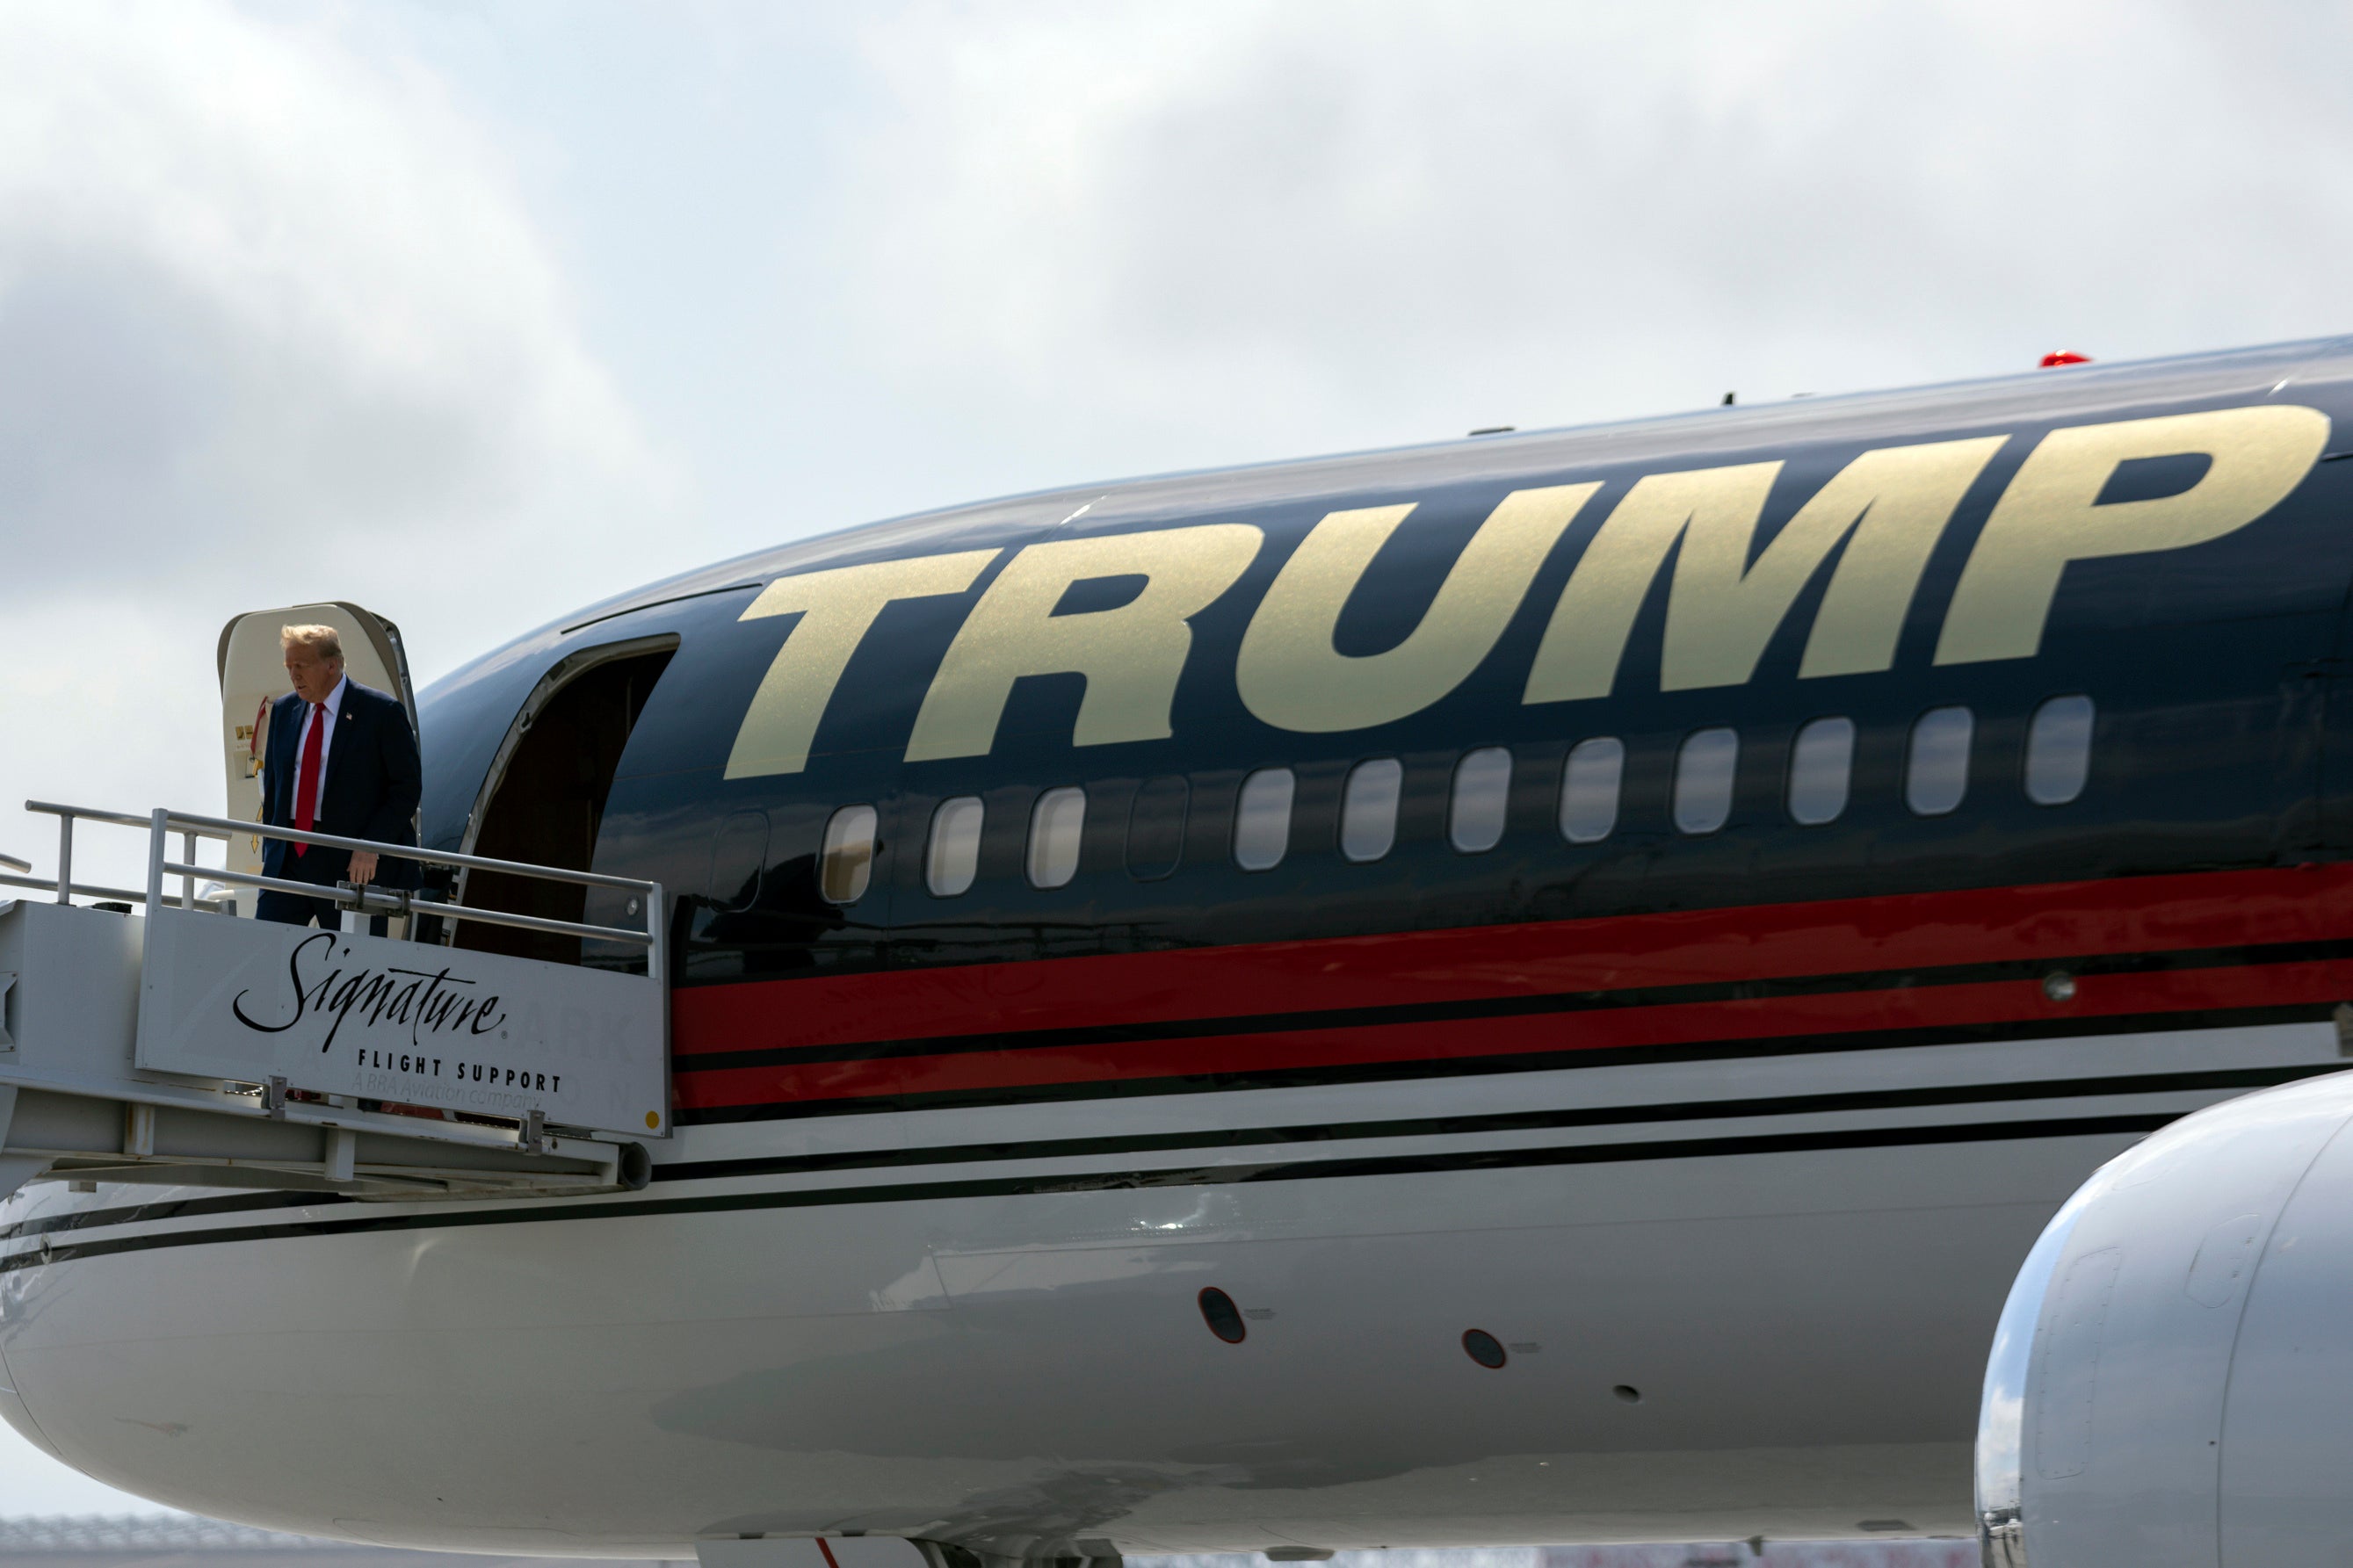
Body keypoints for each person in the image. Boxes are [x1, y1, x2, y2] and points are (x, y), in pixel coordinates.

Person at [256, 624, 422, 929]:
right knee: (263, 954)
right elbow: (274, 787)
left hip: (352, 865)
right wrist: (273, 848)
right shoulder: (282, 711)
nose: (293, 675)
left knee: (356, 966)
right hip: (287, 861)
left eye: (301, 665)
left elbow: (406, 789)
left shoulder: (381, 712)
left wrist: (372, 845)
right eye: (289, 666)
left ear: (332, 665)